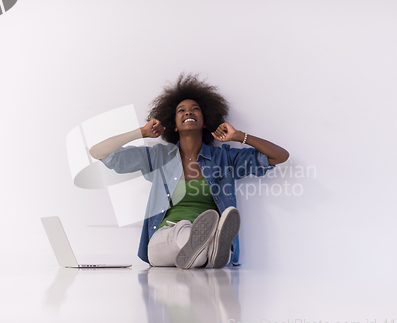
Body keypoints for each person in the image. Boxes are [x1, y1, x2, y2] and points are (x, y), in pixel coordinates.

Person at [89, 73, 289, 269]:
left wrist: (239, 136)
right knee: (184, 230)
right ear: (173, 125)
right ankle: (212, 250)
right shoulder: (159, 157)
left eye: (195, 109)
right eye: (181, 110)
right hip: (165, 240)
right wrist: (141, 132)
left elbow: (279, 156)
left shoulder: (224, 159)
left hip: (196, 248)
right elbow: (98, 152)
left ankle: (202, 252)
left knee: (196, 248)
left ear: (205, 120)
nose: (188, 112)